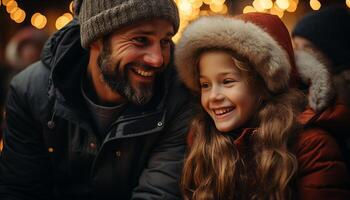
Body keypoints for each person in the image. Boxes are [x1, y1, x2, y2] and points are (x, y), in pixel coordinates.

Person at [0, 0, 194, 199]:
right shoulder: (31, 92)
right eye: (140, 40)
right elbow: (20, 191)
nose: (157, 59)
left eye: (165, 41)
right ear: (95, 38)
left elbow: (158, 194)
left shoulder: (177, 96)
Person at [175, 13, 350, 200]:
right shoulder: (203, 139)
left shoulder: (311, 145)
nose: (213, 97)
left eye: (227, 81)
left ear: (263, 84)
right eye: (205, 85)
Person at [292, 6, 350, 170]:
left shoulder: (340, 92)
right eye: (296, 47)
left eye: (308, 48)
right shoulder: (297, 87)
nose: (300, 56)